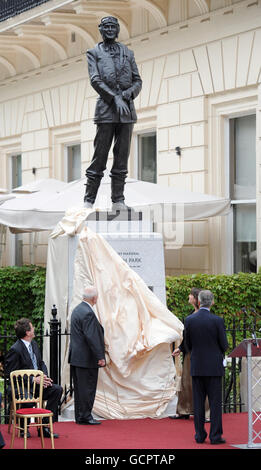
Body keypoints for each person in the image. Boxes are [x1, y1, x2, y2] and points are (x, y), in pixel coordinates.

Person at [84, 16, 142, 210]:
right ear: (100, 29)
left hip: (126, 112)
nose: (109, 29)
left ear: (117, 30)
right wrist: (114, 98)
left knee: (121, 157)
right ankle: (88, 201)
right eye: (106, 26)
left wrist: (126, 95)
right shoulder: (94, 53)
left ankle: (118, 200)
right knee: (99, 156)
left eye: (113, 27)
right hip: (106, 111)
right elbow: (95, 80)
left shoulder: (128, 53)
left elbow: (137, 81)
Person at [5, 318, 62, 439]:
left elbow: (41, 363)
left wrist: (44, 376)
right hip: (21, 387)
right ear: (27, 332)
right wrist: (32, 380)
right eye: (32, 328)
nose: (34, 329)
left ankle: (45, 427)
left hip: (37, 385)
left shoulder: (34, 344)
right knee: (29, 399)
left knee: (57, 389)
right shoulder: (15, 350)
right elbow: (11, 374)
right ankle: (23, 429)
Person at [184, 290, 228, 444]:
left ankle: (200, 435)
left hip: (197, 366)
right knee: (215, 404)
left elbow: (187, 344)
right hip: (214, 367)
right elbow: (224, 345)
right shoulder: (218, 321)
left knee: (198, 403)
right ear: (212, 302)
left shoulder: (189, 320)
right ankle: (215, 436)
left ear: (199, 301)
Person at [170, 287, 210, 420]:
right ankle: (184, 410)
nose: (188, 297)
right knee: (186, 382)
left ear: (195, 298)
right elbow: (188, 337)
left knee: (200, 382)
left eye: (190, 295)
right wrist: (181, 348)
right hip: (189, 353)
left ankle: (205, 412)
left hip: (199, 354)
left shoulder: (203, 316)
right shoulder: (191, 315)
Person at [68, 286, 106, 425]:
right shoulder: (88, 313)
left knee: (79, 389)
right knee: (88, 388)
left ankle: (80, 416)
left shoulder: (77, 310)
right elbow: (92, 337)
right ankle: (86, 416)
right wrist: (100, 356)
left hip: (76, 358)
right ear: (95, 298)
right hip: (86, 358)